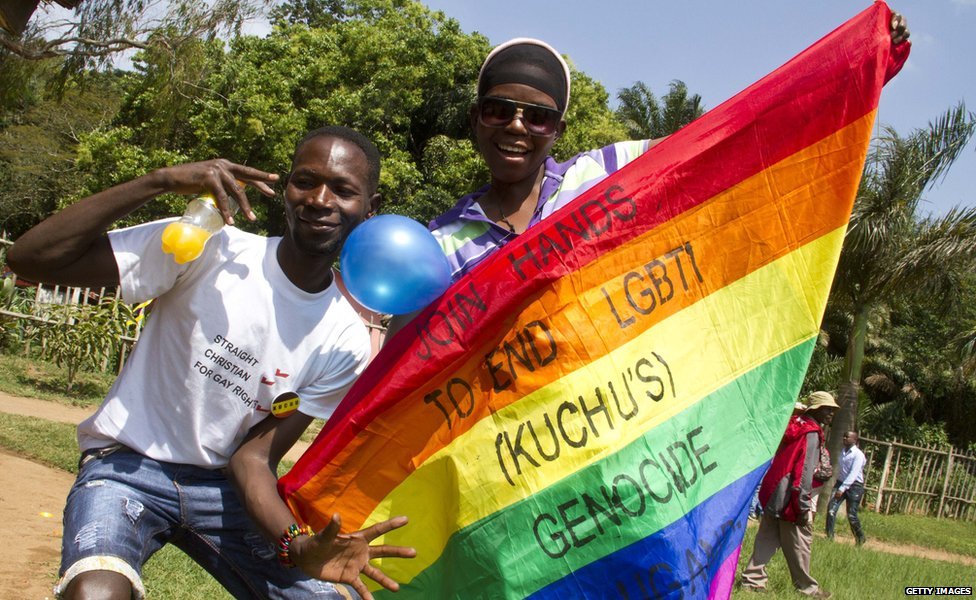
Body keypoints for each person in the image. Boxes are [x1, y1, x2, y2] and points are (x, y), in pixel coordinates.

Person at [7, 126, 416, 600]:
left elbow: (253, 459)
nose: (320, 199)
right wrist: (159, 180)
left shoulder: (344, 338)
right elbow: (29, 258)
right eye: (305, 181)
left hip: (221, 493)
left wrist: (298, 544)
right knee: (95, 593)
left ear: (370, 207)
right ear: (284, 188)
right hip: (126, 469)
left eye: (343, 189)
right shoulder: (207, 245)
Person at [739, 391, 839, 598]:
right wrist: (802, 505)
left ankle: (752, 580)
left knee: (767, 537)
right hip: (789, 496)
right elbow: (803, 471)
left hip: (773, 489)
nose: (832, 413)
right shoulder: (811, 433)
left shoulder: (794, 425)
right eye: (828, 409)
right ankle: (807, 588)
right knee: (800, 542)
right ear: (816, 409)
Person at [825, 430, 867, 545]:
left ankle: (860, 537)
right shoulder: (843, 452)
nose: (844, 439)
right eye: (843, 437)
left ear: (854, 440)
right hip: (841, 482)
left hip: (854, 486)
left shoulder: (858, 455)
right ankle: (829, 536)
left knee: (851, 514)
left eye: (847, 437)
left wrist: (842, 488)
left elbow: (853, 473)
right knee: (831, 509)